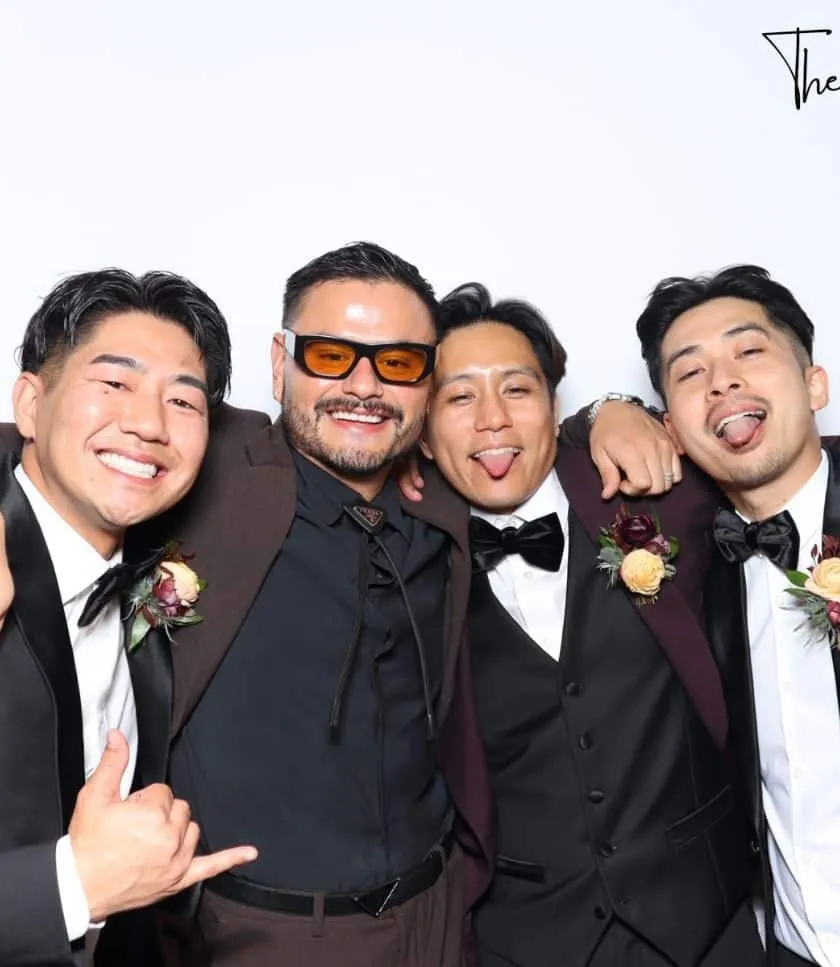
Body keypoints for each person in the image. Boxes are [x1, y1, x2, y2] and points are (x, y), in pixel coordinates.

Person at [127, 241, 493, 967]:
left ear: (427, 381)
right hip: (262, 934)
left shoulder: (445, 494)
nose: (363, 385)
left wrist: (617, 412)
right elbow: (60, 440)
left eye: (396, 362)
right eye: (330, 355)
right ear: (278, 362)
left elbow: (543, 440)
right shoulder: (206, 461)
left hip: (440, 918)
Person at [417, 283, 765, 967]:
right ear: (424, 436)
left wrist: (615, 407)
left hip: (707, 920)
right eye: (459, 398)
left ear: (554, 406)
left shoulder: (660, 490)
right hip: (525, 937)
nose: (492, 419)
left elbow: (779, 454)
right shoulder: (407, 555)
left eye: (516, 390)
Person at [0, 269, 257, 967]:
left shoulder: (151, 572)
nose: (148, 424)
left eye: (183, 400)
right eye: (114, 384)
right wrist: (69, 885)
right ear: (30, 402)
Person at [635, 264, 840, 967]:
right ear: (673, 430)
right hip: (793, 947)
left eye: (749, 352)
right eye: (690, 373)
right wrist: (605, 407)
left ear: (816, 383)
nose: (721, 382)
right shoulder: (690, 574)